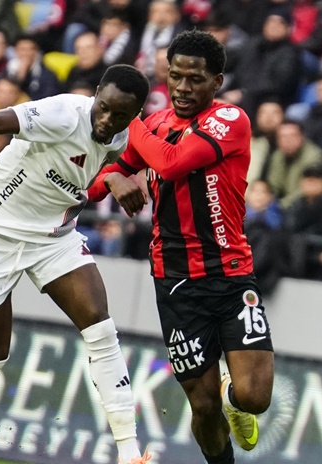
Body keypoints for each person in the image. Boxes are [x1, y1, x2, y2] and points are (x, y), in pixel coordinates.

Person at [0, 64, 152, 464]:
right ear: (95, 94)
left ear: (135, 115)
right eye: (104, 108)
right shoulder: (63, 113)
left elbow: (91, 173)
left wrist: (112, 177)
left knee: (100, 327)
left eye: (120, 115)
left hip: (53, 235)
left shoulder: (122, 137)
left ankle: (128, 452)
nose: (107, 121)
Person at [88, 30, 274, 464]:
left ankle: (234, 396)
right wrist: (112, 177)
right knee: (203, 406)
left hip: (230, 275)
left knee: (254, 397)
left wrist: (131, 122)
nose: (183, 87)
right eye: (176, 76)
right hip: (175, 282)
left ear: (217, 82)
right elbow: (96, 184)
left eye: (195, 79)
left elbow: (171, 164)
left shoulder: (229, 120)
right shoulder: (154, 127)